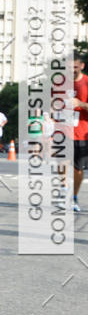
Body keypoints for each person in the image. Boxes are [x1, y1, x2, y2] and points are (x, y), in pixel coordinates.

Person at [72, 54, 88, 212]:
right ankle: (63, 190)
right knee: (62, 163)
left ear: (82, 66)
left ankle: (74, 196)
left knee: (78, 168)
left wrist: (81, 104)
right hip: (63, 131)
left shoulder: (87, 82)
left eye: (75, 67)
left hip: (82, 132)